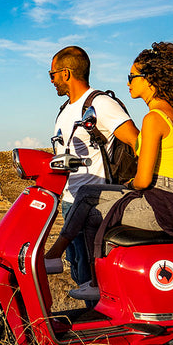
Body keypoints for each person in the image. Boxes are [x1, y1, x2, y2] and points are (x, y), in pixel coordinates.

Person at [48, 42, 173, 301]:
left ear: (151, 80)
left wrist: (142, 185)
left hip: (159, 203)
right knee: (91, 198)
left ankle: (85, 276)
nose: (128, 83)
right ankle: (80, 273)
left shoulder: (153, 118)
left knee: (90, 199)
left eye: (132, 77)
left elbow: (143, 180)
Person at [42, 46, 139, 291]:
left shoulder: (101, 104)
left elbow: (136, 141)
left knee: (94, 274)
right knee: (78, 269)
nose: (51, 80)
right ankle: (91, 319)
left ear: (66, 74)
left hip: (94, 205)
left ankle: (101, 323)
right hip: (68, 201)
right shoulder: (65, 110)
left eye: (52, 74)